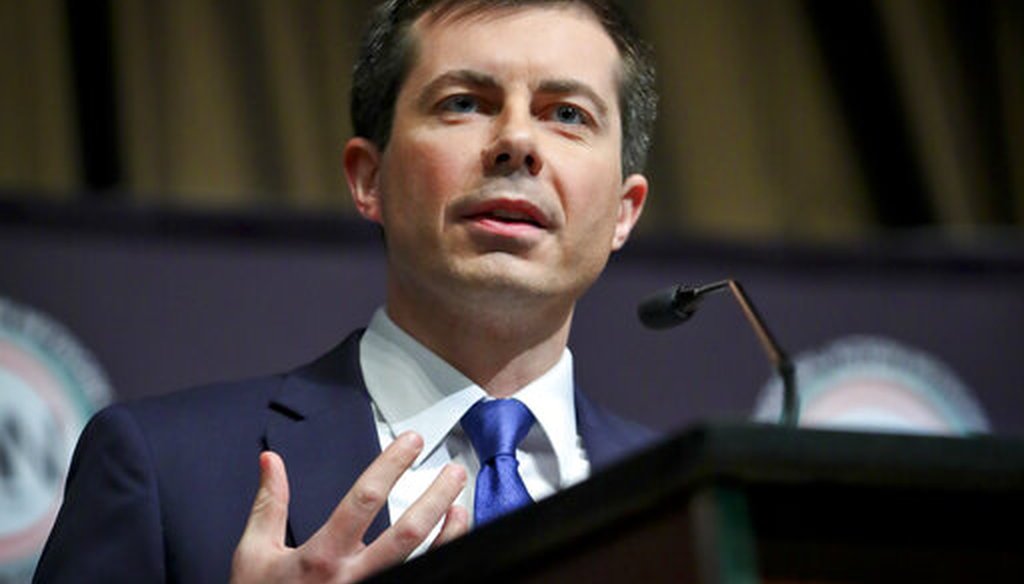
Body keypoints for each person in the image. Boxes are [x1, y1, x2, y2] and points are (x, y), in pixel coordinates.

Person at [33, 0, 658, 582]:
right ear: (369, 178)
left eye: (567, 115)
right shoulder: (163, 469)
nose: (517, 143)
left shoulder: (695, 496)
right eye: (465, 103)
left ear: (625, 212)